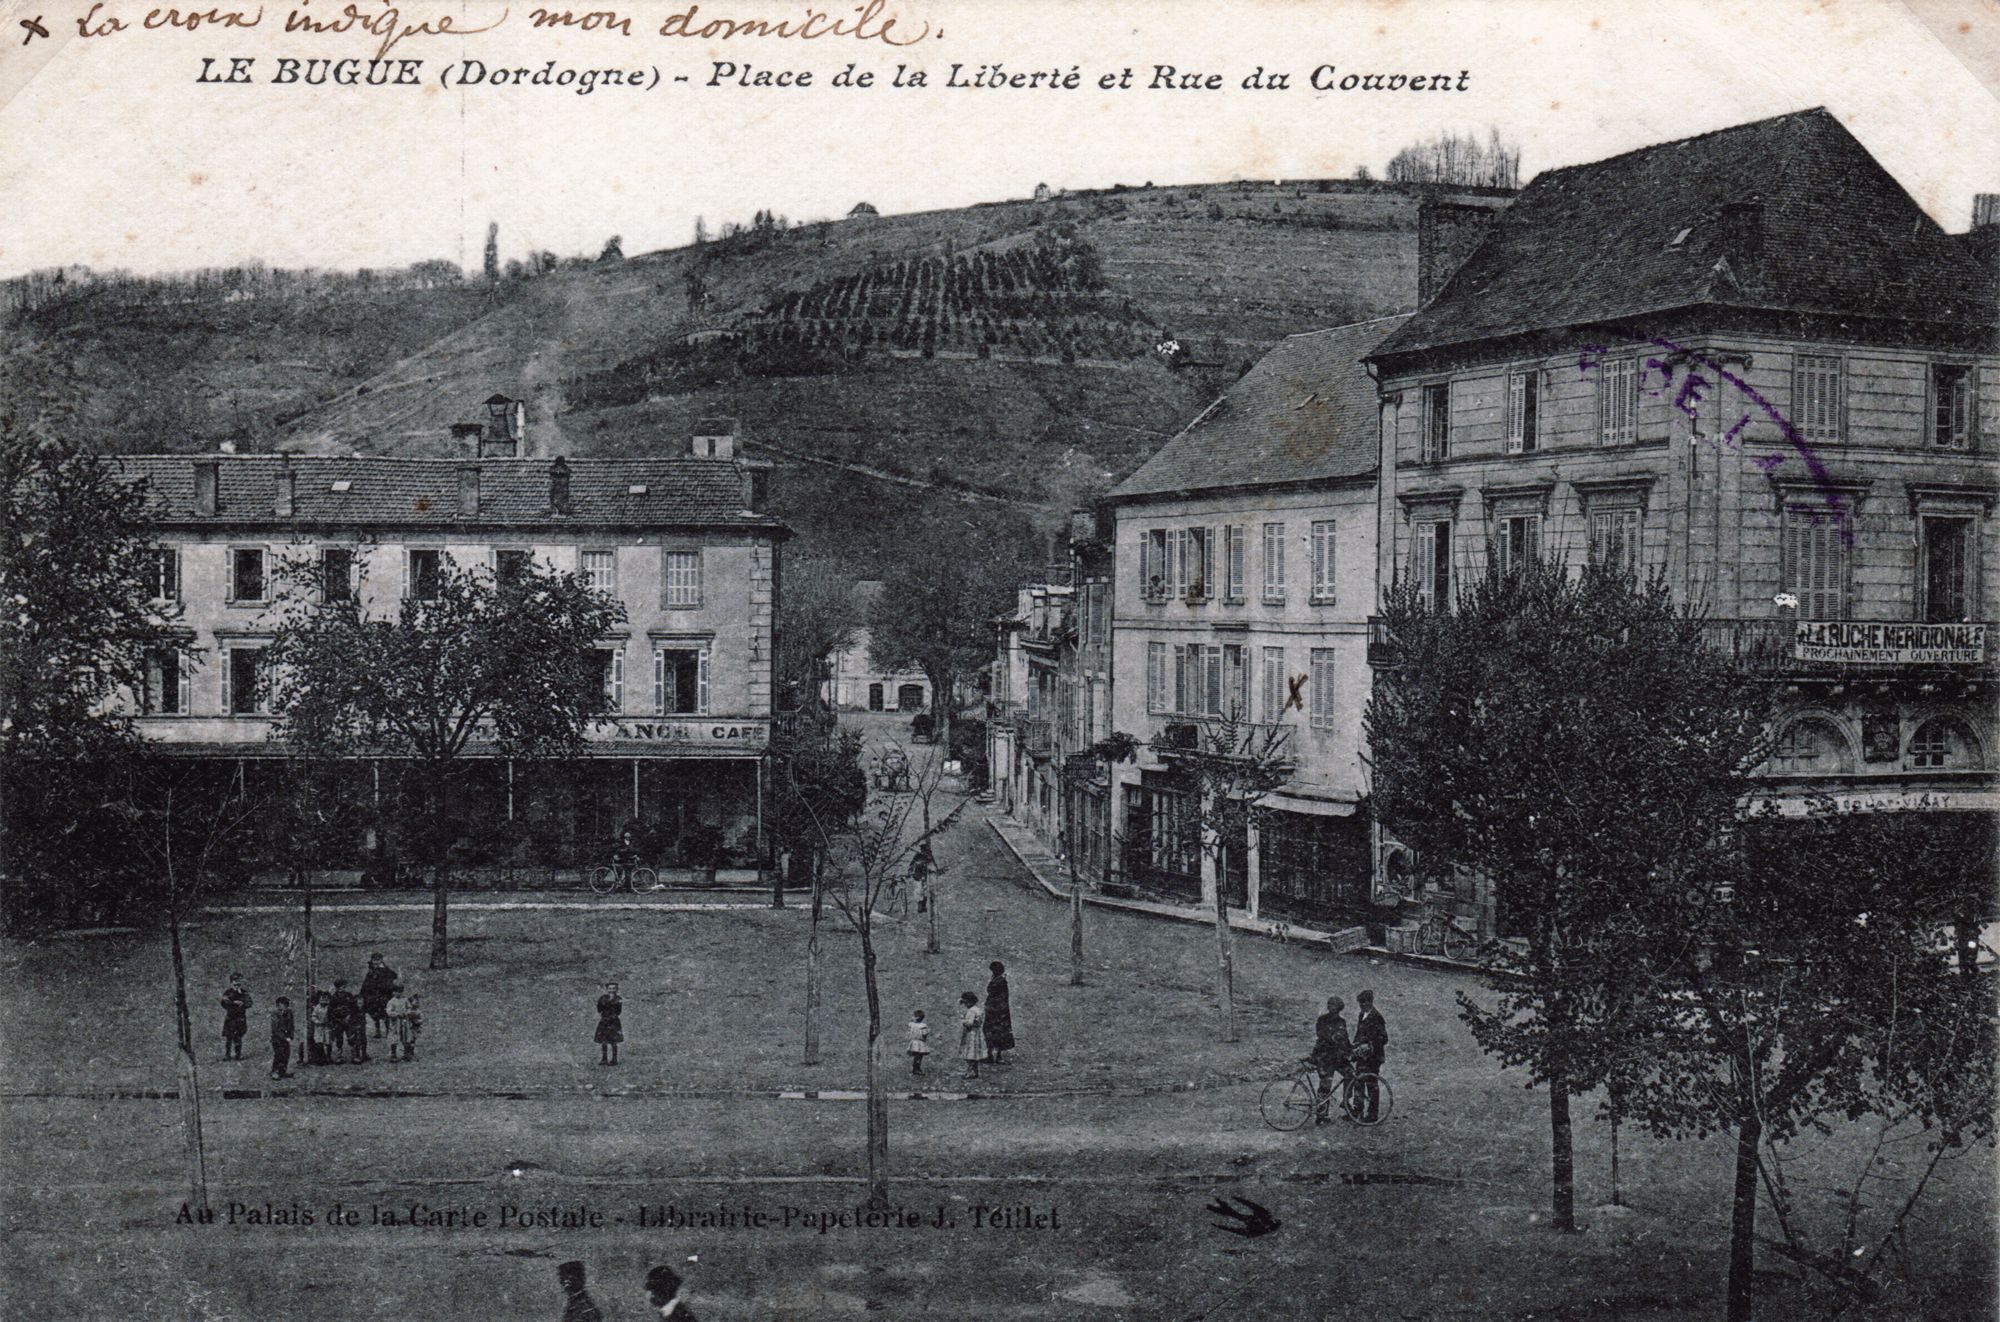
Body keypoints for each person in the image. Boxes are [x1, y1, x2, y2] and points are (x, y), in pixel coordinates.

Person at [1307, 996, 1353, 1124]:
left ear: (1338, 1008)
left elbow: (1345, 1040)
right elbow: (1321, 1038)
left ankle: (1346, 1100)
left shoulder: (1342, 1022)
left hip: (1338, 1058)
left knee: (1351, 1074)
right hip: (1325, 1058)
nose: (1330, 1007)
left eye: (1333, 1005)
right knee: (1325, 1087)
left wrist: (1351, 1051)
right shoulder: (1322, 1020)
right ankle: (1321, 1115)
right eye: (1329, 1004)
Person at [1352, 989, 1389, 1123]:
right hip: (1362, 1056)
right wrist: (1355, 1045)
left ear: (1370, 1002)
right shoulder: (1362, 1014)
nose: (1361, 1006)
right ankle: (1357, 1111)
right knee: (1358, 1082)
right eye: (1360, 1003)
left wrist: (1369, 1045)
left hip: (1373, 1057)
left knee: (1371, 1084)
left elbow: (1384, 1038)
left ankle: (1373, 1114)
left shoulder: (1377, 1017)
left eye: (1363, 1003)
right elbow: (1359, 1033)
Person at [360, 953, 398, 1039]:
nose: (376, 962)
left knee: (385, 1014)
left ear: (381, 960)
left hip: (383, 995)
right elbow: (366, 983)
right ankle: (378, 1031)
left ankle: (388, 1030)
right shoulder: (370, 971)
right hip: (372, 996)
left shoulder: (385, 970)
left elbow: (392, 978)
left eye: (378, 960)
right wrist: (362, 993)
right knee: (374, 1014)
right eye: (374, 960)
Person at [983, 961, 1015, 1064]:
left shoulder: (998, 982)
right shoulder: (1001, 981)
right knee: (1000, 1033)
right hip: (1001, 1011)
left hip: (995, 1011)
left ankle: (991, 1054)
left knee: (992, 1031)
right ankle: (997, 1055)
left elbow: (991, 992)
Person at [330, 978, 365, 1063]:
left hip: (349, 1021)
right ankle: (339, 1057)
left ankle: (354, 1056)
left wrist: (349, 1016)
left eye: (344, 986)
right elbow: (331, 1011)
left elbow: (354, 1007)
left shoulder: (349, 996)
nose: (343, 988)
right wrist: (337, 1019)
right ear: (337, 988)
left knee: (352, 1038)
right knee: (339, 1039)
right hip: (338, 1022)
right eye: (342, 986)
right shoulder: (334, 998)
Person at [219, 974, 252, 1061]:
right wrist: (234, 1003)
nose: (237, 985)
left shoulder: (244, 993)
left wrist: (243, 1003)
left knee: (238, 1037)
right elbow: (223, 1002)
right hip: (231, 1018)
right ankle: (227, 1055)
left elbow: (249, 1003)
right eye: (235, 983)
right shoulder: (228, 992)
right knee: (229, 1037)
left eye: (238, 983)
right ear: (231, 983)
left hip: (240, 1018)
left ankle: (238, 1055)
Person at [958, 991, 986, 1080]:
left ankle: (970, 1071)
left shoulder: (971, 1011)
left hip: (970, 1033)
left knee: (969, 1053)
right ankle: (975, 1070)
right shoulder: (978, 1010)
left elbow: (969, 1023)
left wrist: (963, 1021)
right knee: (975, 1053)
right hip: (977, 1033)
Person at [596, 982, 623, 1066]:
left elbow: (619, 1011)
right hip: (604, 1021)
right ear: (607, 989)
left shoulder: (618, 999)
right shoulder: (603, 998)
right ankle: (604, 1058)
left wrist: (612, 1016)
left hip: (614, 1022)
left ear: (617, 990)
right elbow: (599, 1008)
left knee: (613, 1041)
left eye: (614, 988)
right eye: (610, 989)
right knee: (604, 1041)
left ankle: (614, 1059)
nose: (612, 990)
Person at [268, 996, 295, 1081]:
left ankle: (283, 1071)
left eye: (286, 1004)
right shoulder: (275, 1013)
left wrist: (290, 1036)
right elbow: (275, 1029)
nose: (285, 1006)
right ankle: (275, 1072)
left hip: (286, 1037)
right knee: (279, 1054)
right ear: (278, 1005)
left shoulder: (289, 1012)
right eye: (283, 1004)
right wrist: (284, 1037)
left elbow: (291, 1025)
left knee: (286, 1054)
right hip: (277, 1038)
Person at [383, 984, 410, 1061]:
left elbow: (409, 1007)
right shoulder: (391, 1002)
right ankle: (393, 1054)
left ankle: (406, 1054)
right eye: (397, 992)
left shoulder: (405, 1000)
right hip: (395, 1022)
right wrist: (396, 1014)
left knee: (405, 1036)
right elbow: (388, 1011)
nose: (399, 993)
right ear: (393, 992)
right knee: (394, 1037)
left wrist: (406, 1013)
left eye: (401, 992)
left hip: (404, 1022)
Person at [307, 991, 331, 1066]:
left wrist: (329, 1022)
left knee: (328, 1042)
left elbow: (332, 1015)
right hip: (319, 1027)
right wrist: (317, 1022)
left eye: (326, 1000)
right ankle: (321, 1058)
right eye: (322, 1000)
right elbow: (313, 1016)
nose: (324, 1001)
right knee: (319, 1042)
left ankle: (328, 1057)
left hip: (327, 1027)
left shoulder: (329, 1007)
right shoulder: (317, 1007)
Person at [907, 1008, 930, 1076]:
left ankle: (916, 1068)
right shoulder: (923, 1026)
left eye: (913, 1016)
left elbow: (910, 1032)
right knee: (919, 1057)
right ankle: (916, 1069)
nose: (912, 1017)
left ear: (917, 1017)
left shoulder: (912, 1025)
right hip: (920, 1043)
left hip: (914, 1043)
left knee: (917, 1056)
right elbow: (925, 1034)